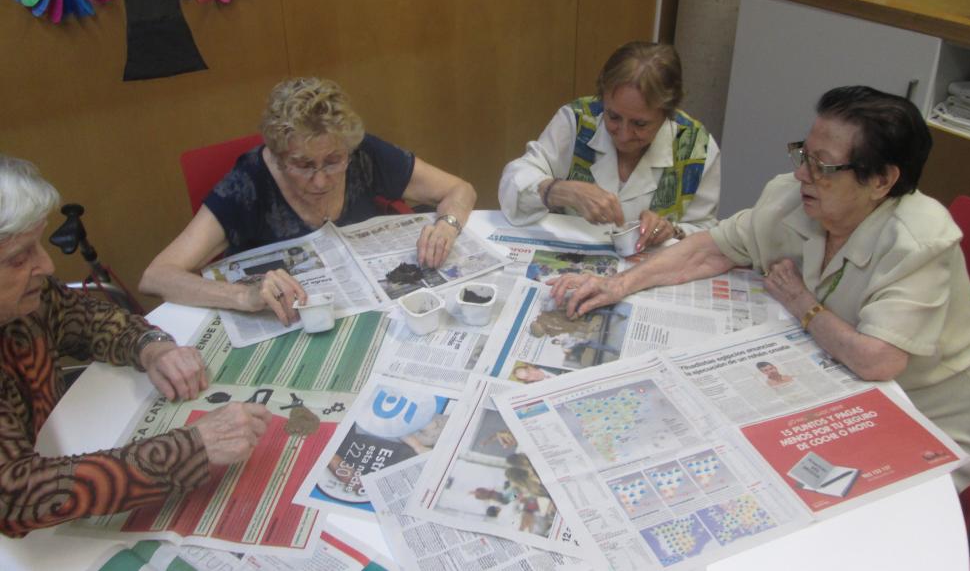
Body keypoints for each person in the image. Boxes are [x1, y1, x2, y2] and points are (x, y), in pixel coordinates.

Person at [549, 86, 970, 489]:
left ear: (881, 181)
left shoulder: (920, 240)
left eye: (822, 165)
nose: (802, 174)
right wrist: (619, 285)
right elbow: (710, 249)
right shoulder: (792, 197)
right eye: (803, 154)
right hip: (844, 384)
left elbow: (878, 359)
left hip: (933, 409)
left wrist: (802, 303)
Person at [0, 155, 271, 537]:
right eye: (18, 258)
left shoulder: (28, 298)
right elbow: (16, 494)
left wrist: (152, 347)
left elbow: (83, 317)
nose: (46, 265)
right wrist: (190, 449)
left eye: (38, 245)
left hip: (56, 448)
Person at [141, 77, 476, 324]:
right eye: (302, 165)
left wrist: (447, 225)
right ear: (277, 156)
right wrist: (244, 295)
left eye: (333, 161)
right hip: (288, 324)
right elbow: (157, 276)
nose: (320, 180)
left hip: (373, 313)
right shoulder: (249, 183)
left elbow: (459, 190)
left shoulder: (362, 153)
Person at [498, 41, 720, 252]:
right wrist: (559, 190)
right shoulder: (578, 121)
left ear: (667, 114)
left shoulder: (696, 148)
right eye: (613, 116)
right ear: (603, 99)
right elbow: (513, 182)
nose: (624, 135)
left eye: (640, 124)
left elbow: (708, 232)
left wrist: (672, 231)